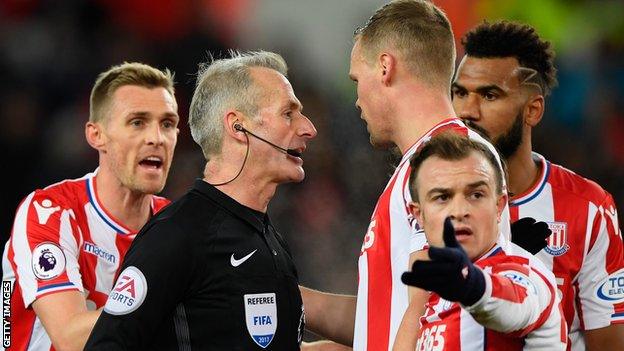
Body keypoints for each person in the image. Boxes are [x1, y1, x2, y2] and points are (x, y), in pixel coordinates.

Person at [300, 1, 552, 350]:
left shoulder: (451, 167)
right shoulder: (426, 162)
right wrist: (283, 299)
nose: (356, 99)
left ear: (385, 67)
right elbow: (392, 319)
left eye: (357, 79)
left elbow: (430, 316)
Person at [84, 50, 317, 350]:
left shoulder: (269, 237)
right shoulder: (177, 235)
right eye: (288, 113)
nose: (308, 128)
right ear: (238, 127)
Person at [452, 20, 624, 350]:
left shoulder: (588, 209)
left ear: (532, 110)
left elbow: (609, 343)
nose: (467, 111)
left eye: (489, 95)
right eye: (460, 93)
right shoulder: (424, 200)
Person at [1, 62, 179, 351]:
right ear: (97, 135)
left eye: (167, 124)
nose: (156, 138)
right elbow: (70, 338)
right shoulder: (50, 212)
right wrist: (165, 294)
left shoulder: (175, 224)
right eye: (137, 122)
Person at [400, 131, 566, 350]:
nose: (459, 211)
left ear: (499, 205)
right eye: (442, 197)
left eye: (476, 194)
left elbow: (517, 305)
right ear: (419, 215)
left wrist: (473, 286)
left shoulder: (524, 273)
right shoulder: (439, 293)